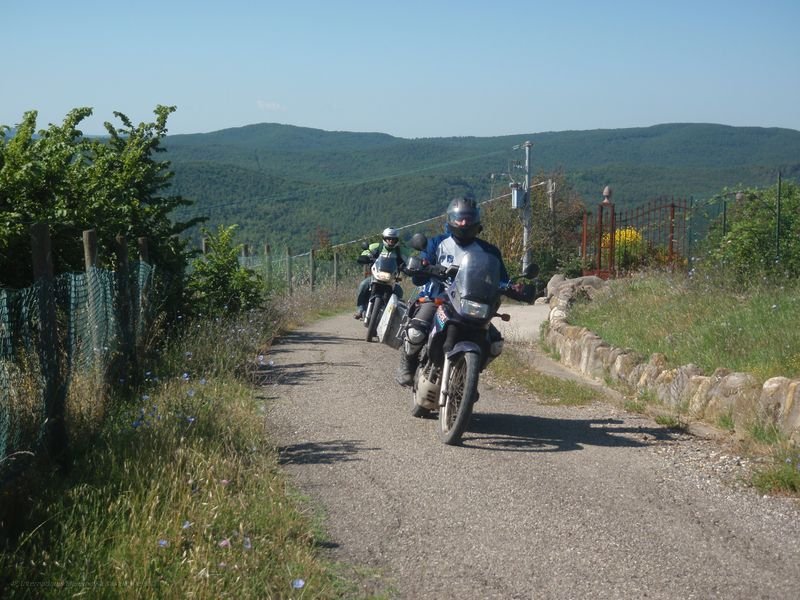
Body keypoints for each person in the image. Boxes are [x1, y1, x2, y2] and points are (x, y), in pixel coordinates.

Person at [396, 196, 526, 386]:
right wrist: (423, 266)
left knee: (495, 344)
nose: (464, 222)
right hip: (438, 299)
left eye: (468, 218)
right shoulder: (437, 243)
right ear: (451, 219)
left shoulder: (488, 251)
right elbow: (419, 273)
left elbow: (501, 278)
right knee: (416, 331)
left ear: (476, 220)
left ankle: (470, 374)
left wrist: (514, 287)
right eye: (460, 218)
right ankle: (408, 364)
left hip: (471, 302)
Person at [354, 227, 407, 319]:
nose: (391, 241)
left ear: (396, 240)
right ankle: (360, 309)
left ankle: (394, 316)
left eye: (393, 239)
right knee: (363, 285)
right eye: (388, 238)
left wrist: (408, 266)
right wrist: (365, 257)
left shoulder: (400, 251)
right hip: (376, 276)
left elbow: (408, 259)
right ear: (384, 238)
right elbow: (365, 252)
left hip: (391, 279)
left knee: (399, 292)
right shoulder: (376, 246)